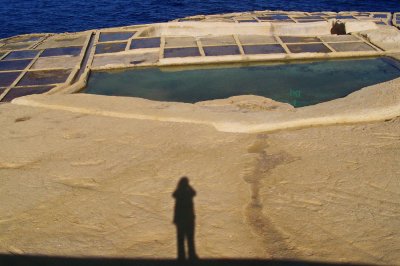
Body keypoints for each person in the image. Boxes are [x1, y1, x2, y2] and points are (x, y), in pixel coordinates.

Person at [172, 177, 198, 260]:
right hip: (189, 219)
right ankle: (191, 255)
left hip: (180, 220)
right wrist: (189, 186)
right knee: (190, 238)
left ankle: (181, 256)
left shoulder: (179, 193)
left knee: (180, 239)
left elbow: (174, 194)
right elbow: (194, 193)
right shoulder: (188, 193)